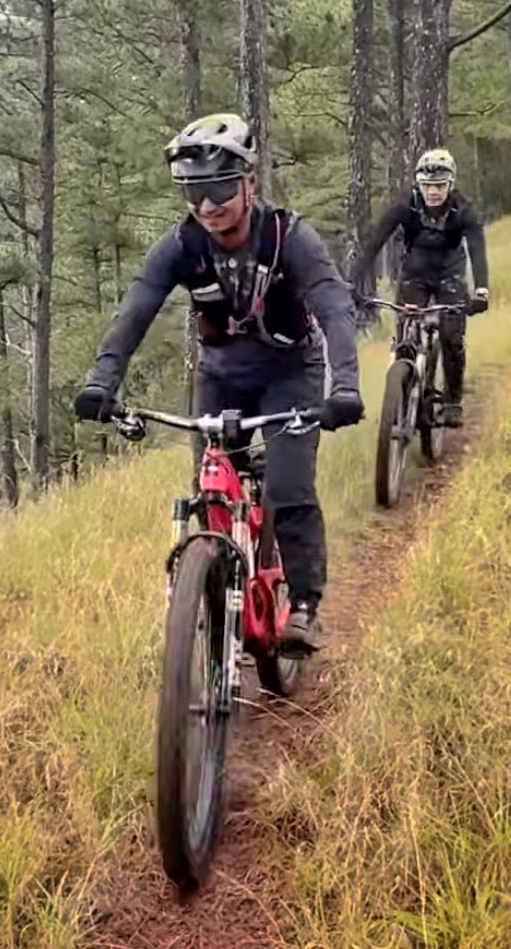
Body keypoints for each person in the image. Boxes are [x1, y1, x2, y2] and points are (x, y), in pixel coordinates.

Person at [73, 113, 363, 653]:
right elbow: (135, 311)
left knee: (288, 487)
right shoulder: (183, 245)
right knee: (209, 492)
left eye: (221, 188)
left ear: (250, 181)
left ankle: (303, 605)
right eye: (195, 192)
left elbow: (333, 304)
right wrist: (102, 381)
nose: (209, 206)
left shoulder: (287, 238)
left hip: (289, 374)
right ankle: (210, 603)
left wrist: (344, 386)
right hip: (220, 375)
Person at [353, 148, 489, 429]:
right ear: (418, 184)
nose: (434, 192)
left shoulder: (463, 210)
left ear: (451, 185)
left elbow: (477, 248)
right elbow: (375, 241)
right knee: (406, 341)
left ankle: (452, 401)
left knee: (452, 337)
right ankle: (402, 395)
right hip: (414, 274)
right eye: (427, 186)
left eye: (440, 186)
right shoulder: (406, 205)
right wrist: (353, 281)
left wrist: (481, 291)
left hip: (449, 275)